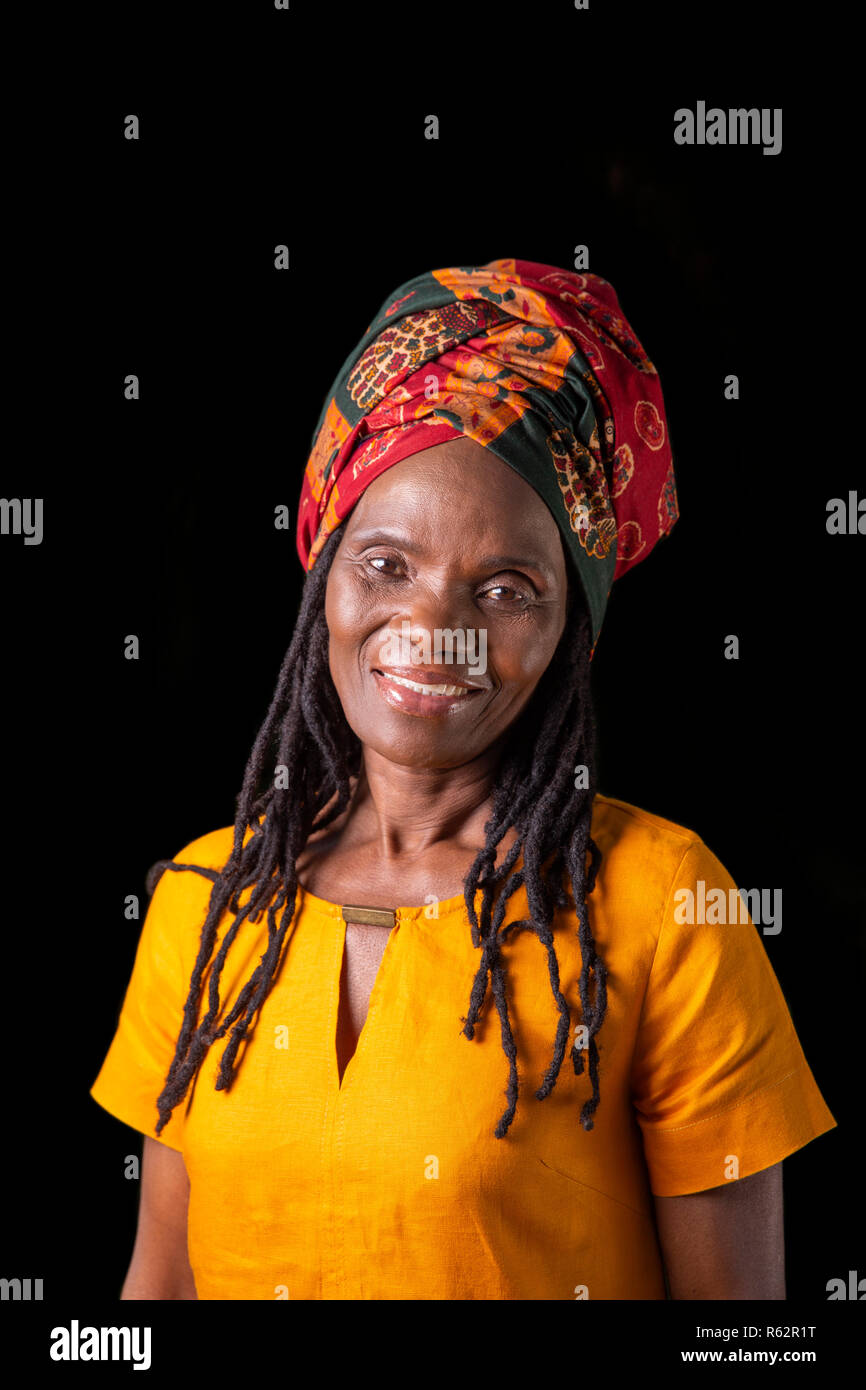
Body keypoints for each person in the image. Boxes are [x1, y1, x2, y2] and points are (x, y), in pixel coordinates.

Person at [90, 259, 836, 1300]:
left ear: (570, 637)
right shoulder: (208, 905)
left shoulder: (665, 904)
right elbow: (156, 1293)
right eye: (386, 565)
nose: (433, 631)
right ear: (325, 576)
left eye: (504, 587)